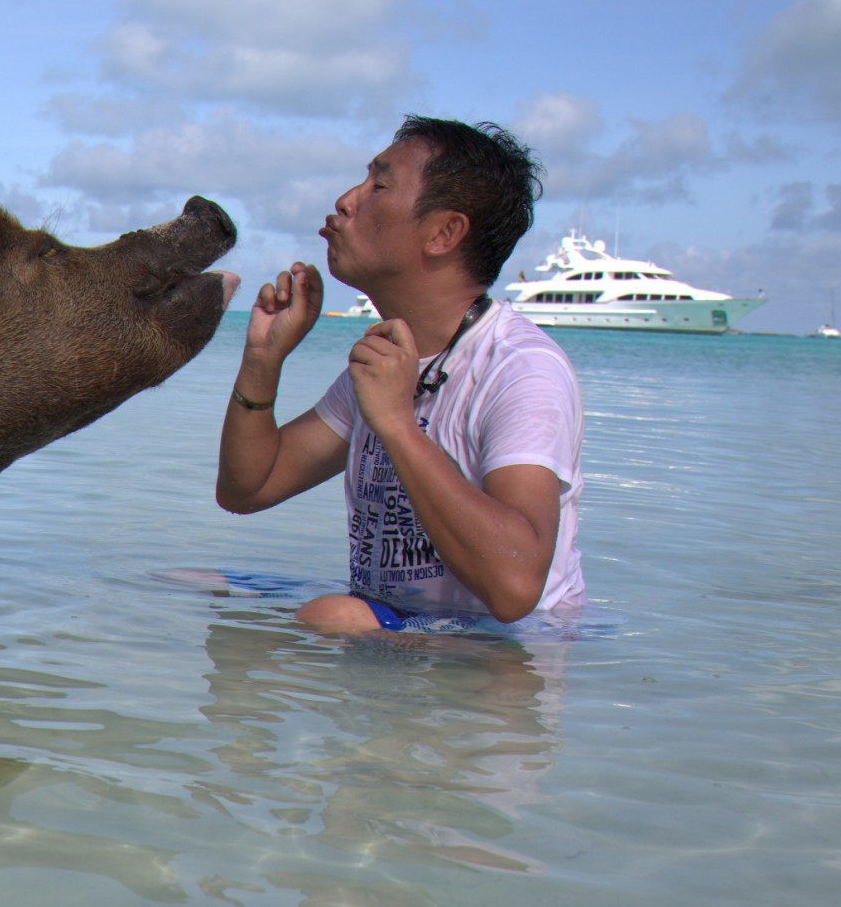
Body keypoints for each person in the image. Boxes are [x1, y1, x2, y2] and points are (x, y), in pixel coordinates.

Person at [214, 116, 583, 633]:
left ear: (444, 233)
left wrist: (397, 425)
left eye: (379, 186)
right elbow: (247, 491)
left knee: (333, 615)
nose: (346, 200)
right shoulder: (387, 360)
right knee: (191, 580)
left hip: (508, 643)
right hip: (404, 623)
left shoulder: (521, 369)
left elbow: (516, 587)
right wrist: (262, 361)